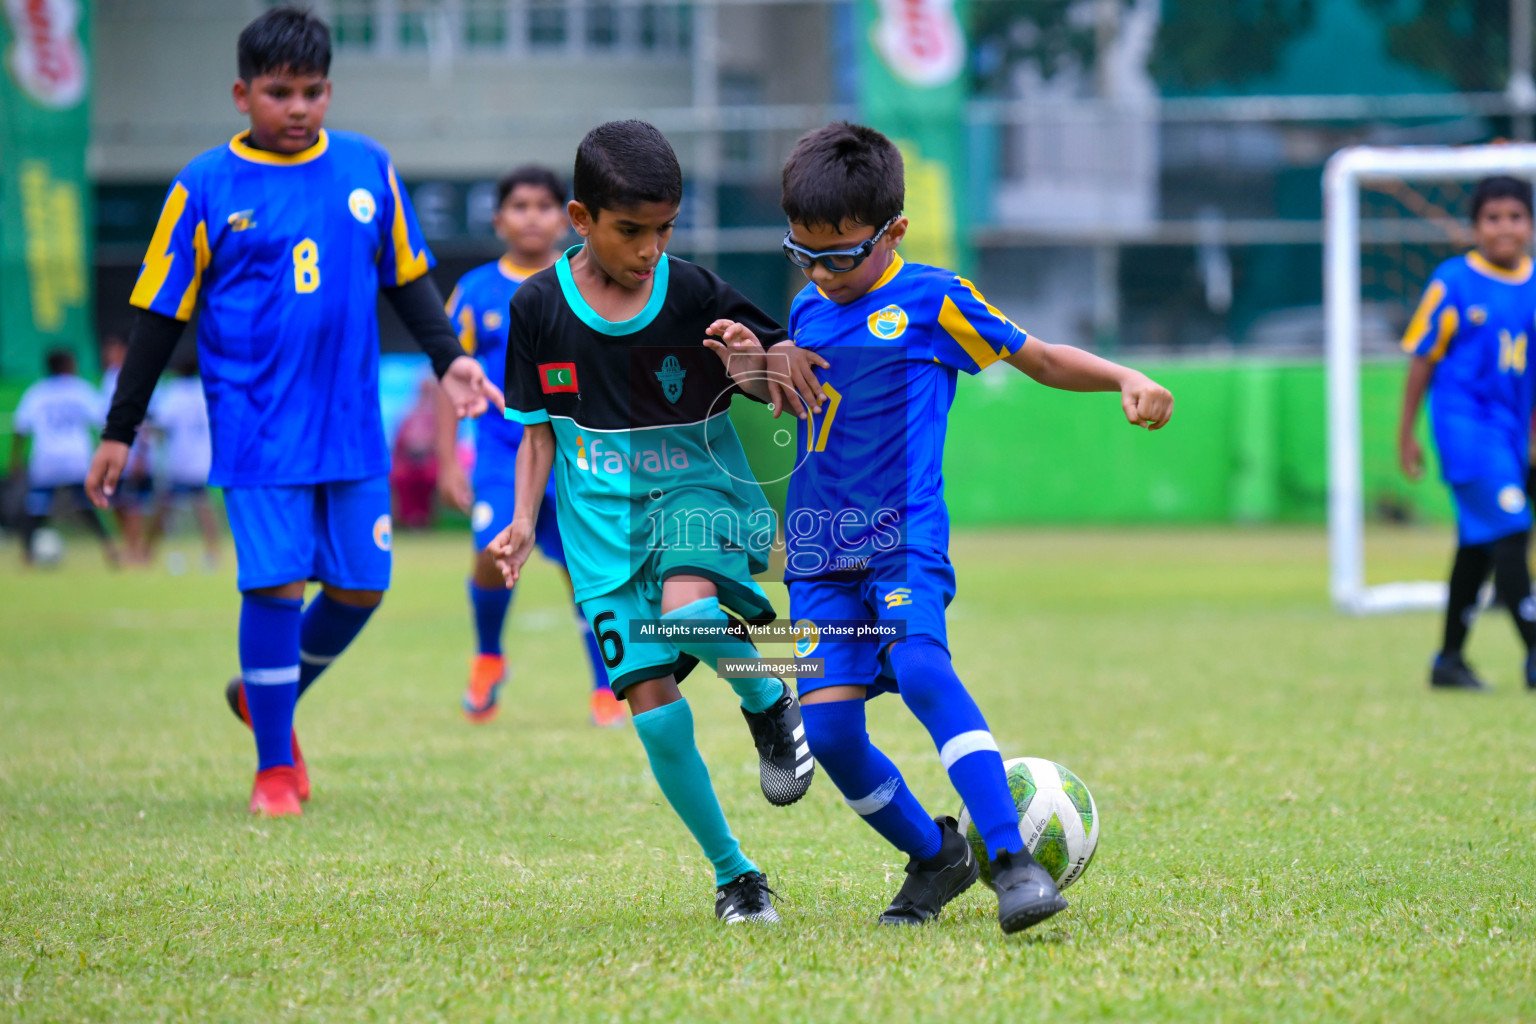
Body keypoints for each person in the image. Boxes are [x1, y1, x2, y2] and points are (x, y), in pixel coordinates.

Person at [755, 122, 1173, 933]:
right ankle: (934, 856)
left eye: (841, 255)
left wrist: (1126, 375)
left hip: (902, 537)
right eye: (802, 252)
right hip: (816, 552)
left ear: (895, 232)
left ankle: (1012, 862)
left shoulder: (934, 299)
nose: (821, 272)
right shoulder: (806, 306)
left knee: (919, 670)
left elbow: (1039, 357)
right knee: (834, 732)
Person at [86, 6, 501, 817]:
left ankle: (265, 695)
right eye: (280, 92)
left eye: (313, 91)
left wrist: (451, 361)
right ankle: (274, 768)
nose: (299, 107)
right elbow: (159, 315)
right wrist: (118, 429)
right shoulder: (205, 184)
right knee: (274, 586)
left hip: (349, 425)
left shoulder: (366, 165)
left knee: (360, 588)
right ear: (242, 94)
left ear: (330, 91)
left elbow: (408, 279)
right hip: (255, 424)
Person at [488, 121, 817, 924]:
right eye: (630, 230)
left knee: (692, 610)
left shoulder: (697, 292)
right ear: (581, 218)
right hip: (602, 534)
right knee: (655, 714)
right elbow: (537, 429)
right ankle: (735, 876)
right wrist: (525, 522)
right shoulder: (535, 308)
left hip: (702, 496)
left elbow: (784, 378)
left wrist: (753, 360)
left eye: (664, 229)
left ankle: (770, 694)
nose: (649, 248)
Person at [436, 166, 623, 727]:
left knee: (586, 571)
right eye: (519, 206)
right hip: (499, 453)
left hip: (574, 456)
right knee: (493, 548)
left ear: (568, 219)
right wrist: (447, 460)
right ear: (498, 220)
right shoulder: (474, 291)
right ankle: (489, 656)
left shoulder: (587, 283)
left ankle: (604, 684)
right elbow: (449, 375)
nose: (532, 216)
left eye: (545, 205)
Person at [1397, 175, 1536, 692]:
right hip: (1463, 427)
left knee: (1478, 544)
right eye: (1493, 218)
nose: (1505, 228)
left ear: (1530, 225)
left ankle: (1449, 661)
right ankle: (1534, 653)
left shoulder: (1535, 282)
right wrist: (1406, 432)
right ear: (1475, 227)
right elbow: (1421, 358)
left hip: (1510, 432)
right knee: (1512, 529)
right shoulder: (1454, 280)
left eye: (1515, 217)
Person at [12, 349, 120, 566]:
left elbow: (20, 428)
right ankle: (110, 550)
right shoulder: (79, 389)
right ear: (68, 365)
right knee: (88, 506)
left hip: (46, 460)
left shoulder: (37, 392)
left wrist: (15, 461)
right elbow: (103, 420)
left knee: (37, 509)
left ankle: (27, 555)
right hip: (76, 459)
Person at [146, 352, 220, 570]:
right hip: (202, 460)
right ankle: (213, 553)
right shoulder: (204, 390)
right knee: (204, 507)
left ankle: (147, 552)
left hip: (179, 460)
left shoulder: (173, 393)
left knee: (164, 506)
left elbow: (159, 425)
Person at [99, 334, 156, 564]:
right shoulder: (108, 379)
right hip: (112, 451)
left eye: (114, 350)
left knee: (134, 503)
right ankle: (130, 545)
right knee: (117, 501)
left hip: (132, 453)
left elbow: (144, 420)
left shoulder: (136, 377)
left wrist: (142, 453)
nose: (109, 355)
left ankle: (135, 550)